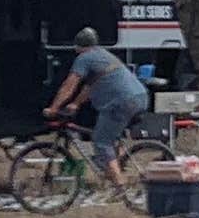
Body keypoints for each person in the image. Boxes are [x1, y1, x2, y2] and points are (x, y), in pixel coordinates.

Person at [48, 27, 149, 178]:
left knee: (101, 141)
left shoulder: (84, 58)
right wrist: (75, 104)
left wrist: (54, 108)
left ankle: (120, 187)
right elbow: (90, 86)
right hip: (140, 96)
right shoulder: (103, 54)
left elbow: (69, 86)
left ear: (78, 45)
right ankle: (115, 167)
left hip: (122, 102)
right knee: (110, 134)